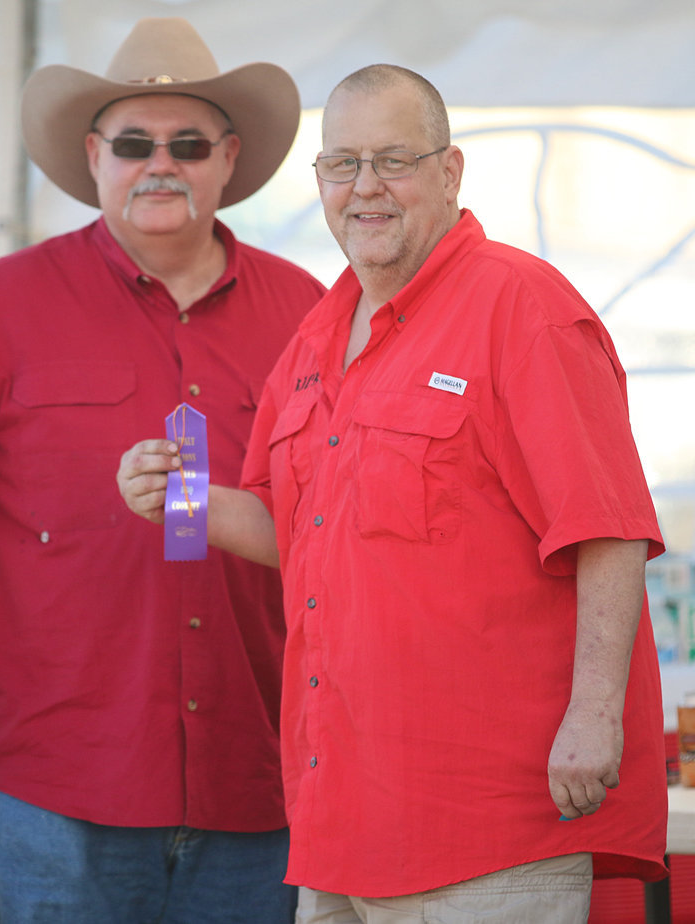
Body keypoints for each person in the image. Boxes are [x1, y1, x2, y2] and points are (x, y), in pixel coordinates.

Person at [118, 63, 668, 923]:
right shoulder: (315, 335)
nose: (365, 187)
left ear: (449, 174)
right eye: (342, 164)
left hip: (490, 824)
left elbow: (610, 531)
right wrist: (178, 499)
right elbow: (296, 527)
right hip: (339, 824)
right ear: (321, 182)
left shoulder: (522, 307)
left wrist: (595, 717)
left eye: (393, 161)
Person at [0, 17, 325, 923]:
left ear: (228, 158)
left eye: (189, 144)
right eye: (134, 143)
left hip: (260, 774)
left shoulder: (308, 314)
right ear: (93, 155)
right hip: (64, 783)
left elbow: (339, 524)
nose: (163, 164)